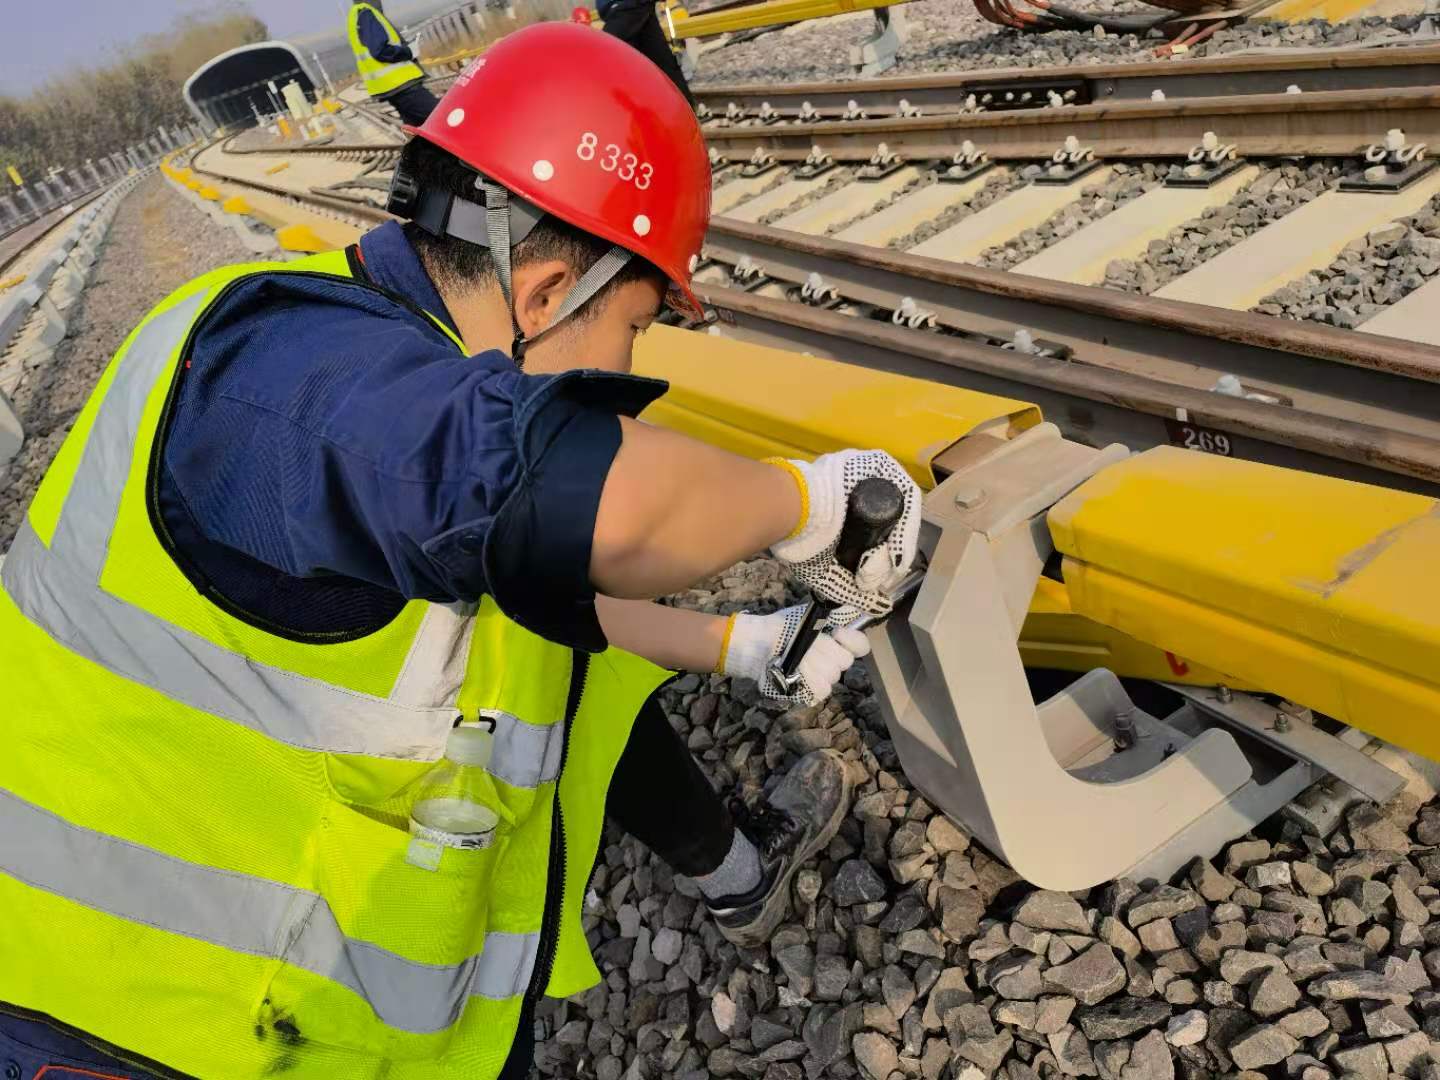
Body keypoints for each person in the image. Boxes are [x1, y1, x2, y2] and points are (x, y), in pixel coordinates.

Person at [0, 23, 921, 1080]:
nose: (626, 363)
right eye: (631, 327)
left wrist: (741, 645)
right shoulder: (295, 384)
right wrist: (809, 501)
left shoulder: (371, 384)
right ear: (541, 295)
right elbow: (580, 505)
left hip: (262, 1026)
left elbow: (511, 610)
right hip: (114, 1033)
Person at [348, 0, 440, 126]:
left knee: (420, 130)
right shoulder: (366, 13)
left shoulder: (356, 14)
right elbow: (380, 51)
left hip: (395, 88)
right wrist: (408, 51)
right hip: (402, 86)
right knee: (441, 118)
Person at [598, 0, 695, 104]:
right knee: (663, 64)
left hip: (627, 7)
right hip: (632, 7)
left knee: (604, 59)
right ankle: (687, 109)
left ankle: (686, 109)